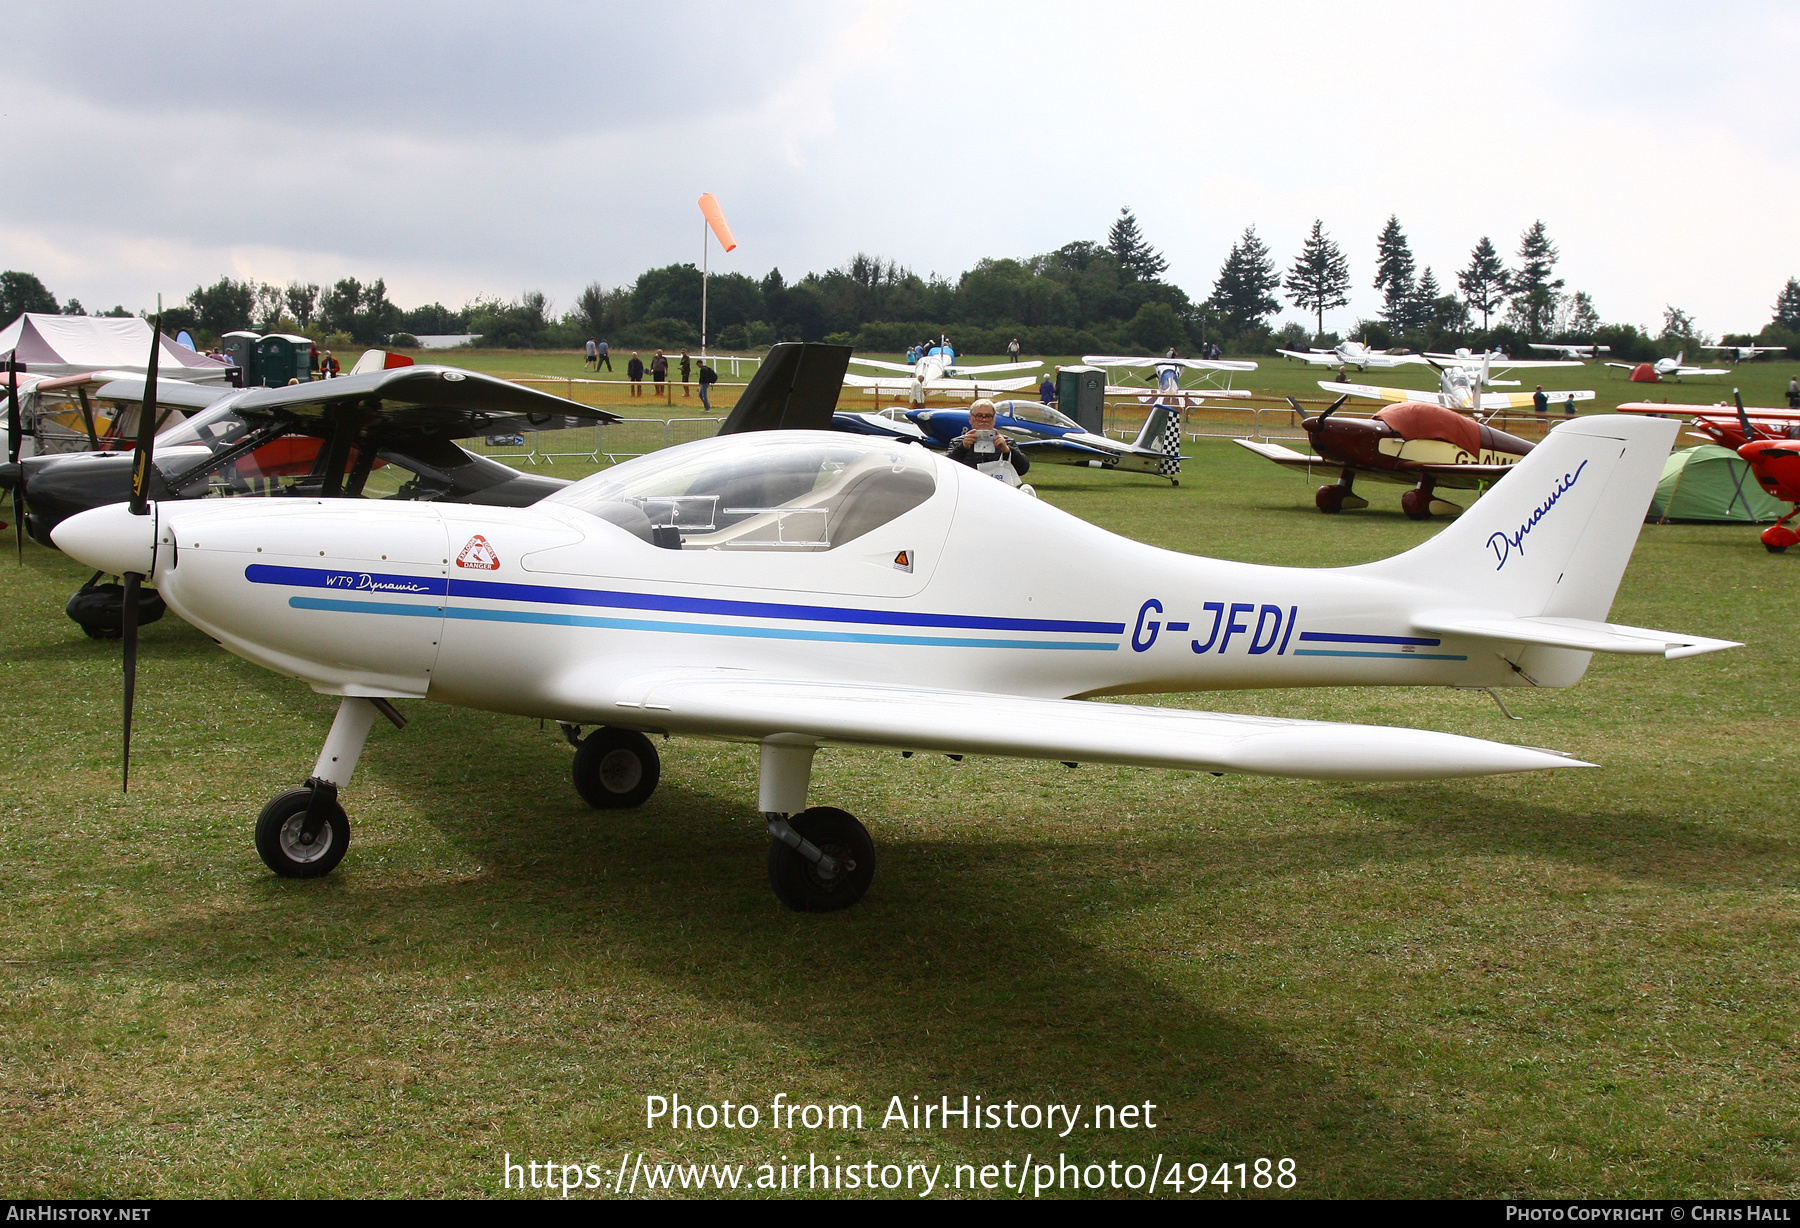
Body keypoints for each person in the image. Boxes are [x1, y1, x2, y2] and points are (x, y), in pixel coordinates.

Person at [948, 399, 1029, 484]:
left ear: (994, 419)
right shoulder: (957, 442)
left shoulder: (1006, 442)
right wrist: (962, 448)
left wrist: (1007, 450)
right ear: (970, 418)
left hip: (997, 489)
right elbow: (947, 468)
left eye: (988, 416)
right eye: (979, 416)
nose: (984, 420)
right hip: (967, 486)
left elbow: (1022, 469)